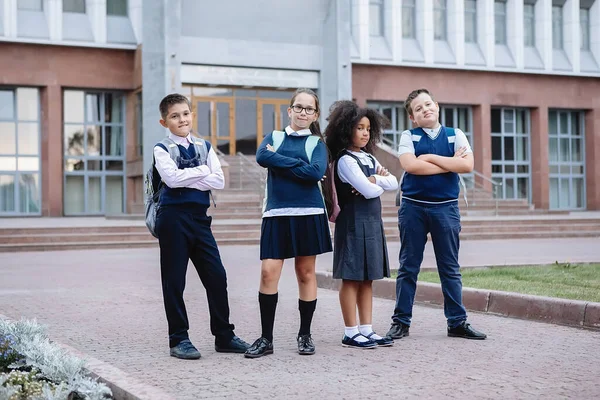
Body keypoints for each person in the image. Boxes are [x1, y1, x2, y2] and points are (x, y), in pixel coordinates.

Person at [153, 93, 250, 359]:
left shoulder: (205, 146)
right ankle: (179, 339)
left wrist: (190, 176)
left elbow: (219, 181)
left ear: (191, 115)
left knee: (217, 276)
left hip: (200, 219)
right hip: (172, 220)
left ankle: (224, 335)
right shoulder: (161, 149)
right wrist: (202, 172)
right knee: (175, 282)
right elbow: (171, 180)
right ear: (165, 122)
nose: (182, 119)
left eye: (185, 113)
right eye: (175, 116)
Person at [386, 88, 486, 341]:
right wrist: (446, 162)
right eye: (418, 109)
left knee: (450, 268)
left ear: (437, 106)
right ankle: (401, 322)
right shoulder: (408, 136)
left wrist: (429, 157)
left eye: (428, 104)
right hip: (413, 208)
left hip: (446, 208)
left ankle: (457, 322)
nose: (425, 110)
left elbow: (466, 165)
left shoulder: (456, 135)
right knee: (408, 267)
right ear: (413, 118)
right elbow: (410, 166)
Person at [244, 88, 333, 358]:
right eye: (299, 107)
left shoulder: (318, 143)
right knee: (268, 273)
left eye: (309, 109)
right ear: (290, 110)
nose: (303, 112)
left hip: (309, 213)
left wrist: (279, 160)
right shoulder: (274, 137)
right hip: (276, 213)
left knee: (306, 274)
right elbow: (262, 157)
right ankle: (266, 339)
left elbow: (316, 172)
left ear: (315, 114)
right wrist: (297, 165)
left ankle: (304, 335)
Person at [324, 101, 398, 349]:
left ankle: (366, 329)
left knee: (368, 279)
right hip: (353, 224)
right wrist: (376, 184)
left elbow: (394, 182)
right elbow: (367, 192)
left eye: (368, 128)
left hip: (372, 224)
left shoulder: (367, 157)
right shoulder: (345, 160)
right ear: (347, 130)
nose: (365, 133)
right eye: (359, 128)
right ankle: (350, 331)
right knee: (352, 279)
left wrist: (375, 178)